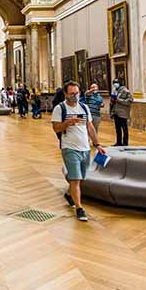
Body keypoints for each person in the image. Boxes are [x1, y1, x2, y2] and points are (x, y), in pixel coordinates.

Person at [51, 81, 105, 222]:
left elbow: (90, 127)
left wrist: (97, 144)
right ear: (66, 94)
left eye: (77, 93)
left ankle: (70, 195)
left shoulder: (84, 108)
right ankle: (79, 208)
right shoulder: (60, 109)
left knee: (80, 178)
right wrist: (68, 122)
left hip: (85, 148)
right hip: (69, 148)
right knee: (75, 180)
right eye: (72, 94)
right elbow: (56, 128)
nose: (75, 96)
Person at [113, 81, 134, 146]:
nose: (114, 84)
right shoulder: (116, 91)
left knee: (124, 129)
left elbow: (129, 101)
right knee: (117, 128)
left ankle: (125, 143)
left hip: (123, 113)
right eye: (113, 83)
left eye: (116, 83)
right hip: (116, 112)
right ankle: (118, 142)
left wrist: (118, 100)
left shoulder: (126, 91)